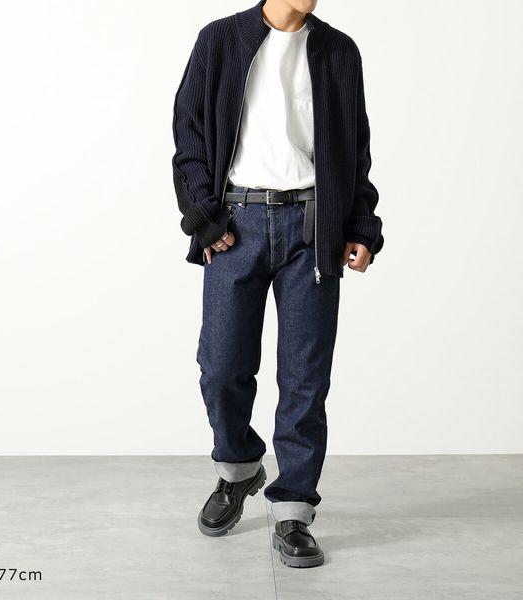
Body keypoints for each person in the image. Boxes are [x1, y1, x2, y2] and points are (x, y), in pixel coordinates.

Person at [172, 0, 383, 568]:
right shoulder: (219, 41)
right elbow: (188, 139)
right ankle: (238, 468)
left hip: (313, 228)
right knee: (221, 366)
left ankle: (294, 511)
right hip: (234, 228)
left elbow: (355, 151)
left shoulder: (339, 52)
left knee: (305, 379)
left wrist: (360, 225)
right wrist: (207, 219)